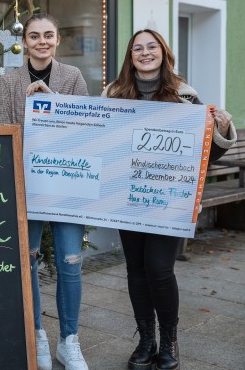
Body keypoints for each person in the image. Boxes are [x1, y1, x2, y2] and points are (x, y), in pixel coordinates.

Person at [103, 29, 236, 370]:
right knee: (135, 269)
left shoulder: (185, 98)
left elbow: (204, 158)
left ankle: (170, 341)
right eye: (137, 48)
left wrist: (220, 131)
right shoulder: (113, 94)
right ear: (130, 56)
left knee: (159, 269)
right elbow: (94, 136)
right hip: (126, 198)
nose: (145, 53)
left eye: (152, 47)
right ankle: (146, 341)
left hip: (168, 201)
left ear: (163, 53)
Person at [0, 13, 90, 370]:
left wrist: (53, 102)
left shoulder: (72, 77)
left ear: (58, 39)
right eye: (35, 36)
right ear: (25, 42)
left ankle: (70, 340)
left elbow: (85, 130)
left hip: (67, 185)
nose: (42, 41)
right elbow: (1, 132)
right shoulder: (9, 81)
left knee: (70, 264)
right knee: (28, 262)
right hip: (26, 186)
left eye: (48, 35)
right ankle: (36, 334)